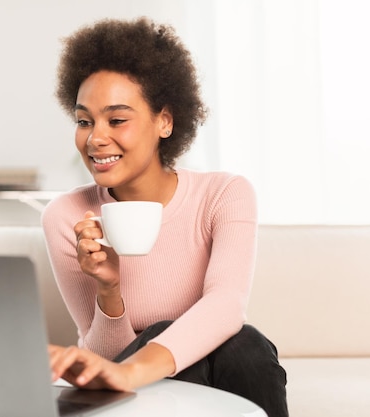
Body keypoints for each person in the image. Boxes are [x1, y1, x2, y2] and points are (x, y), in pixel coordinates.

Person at [42, 17, 288, 417]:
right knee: (183, 335)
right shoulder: (67, 216)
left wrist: (137, 368)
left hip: (165, 372)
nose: (95, 138)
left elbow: (226, 307)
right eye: (84, 121)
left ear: (165, 121)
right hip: (128, 395)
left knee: (245, 344)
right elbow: (106, 359)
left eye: (116, 120)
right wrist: (109, 289)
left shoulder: (223, 195)